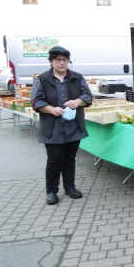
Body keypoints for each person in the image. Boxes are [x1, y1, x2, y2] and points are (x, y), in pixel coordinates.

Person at [31, 46, 93, 205]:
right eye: (58, 60)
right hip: (52, 128)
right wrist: (51, 109)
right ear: (51, 62)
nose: (61, 63)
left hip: (73, 127)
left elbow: (87, 96)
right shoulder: (43, 79)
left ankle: (70, 187)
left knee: (70, 159)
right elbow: (36, 101)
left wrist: (77, 102)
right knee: (54, 160)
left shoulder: (77, 78)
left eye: (64, 60)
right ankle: (51, 191)